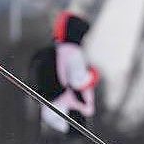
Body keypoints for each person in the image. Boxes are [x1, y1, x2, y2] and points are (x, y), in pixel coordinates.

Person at [30, 11, 98, 143]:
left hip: (52, 109)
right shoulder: (74, 52)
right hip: (71, 111)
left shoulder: (57, 49)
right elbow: (78, 81)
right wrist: (93, 76)